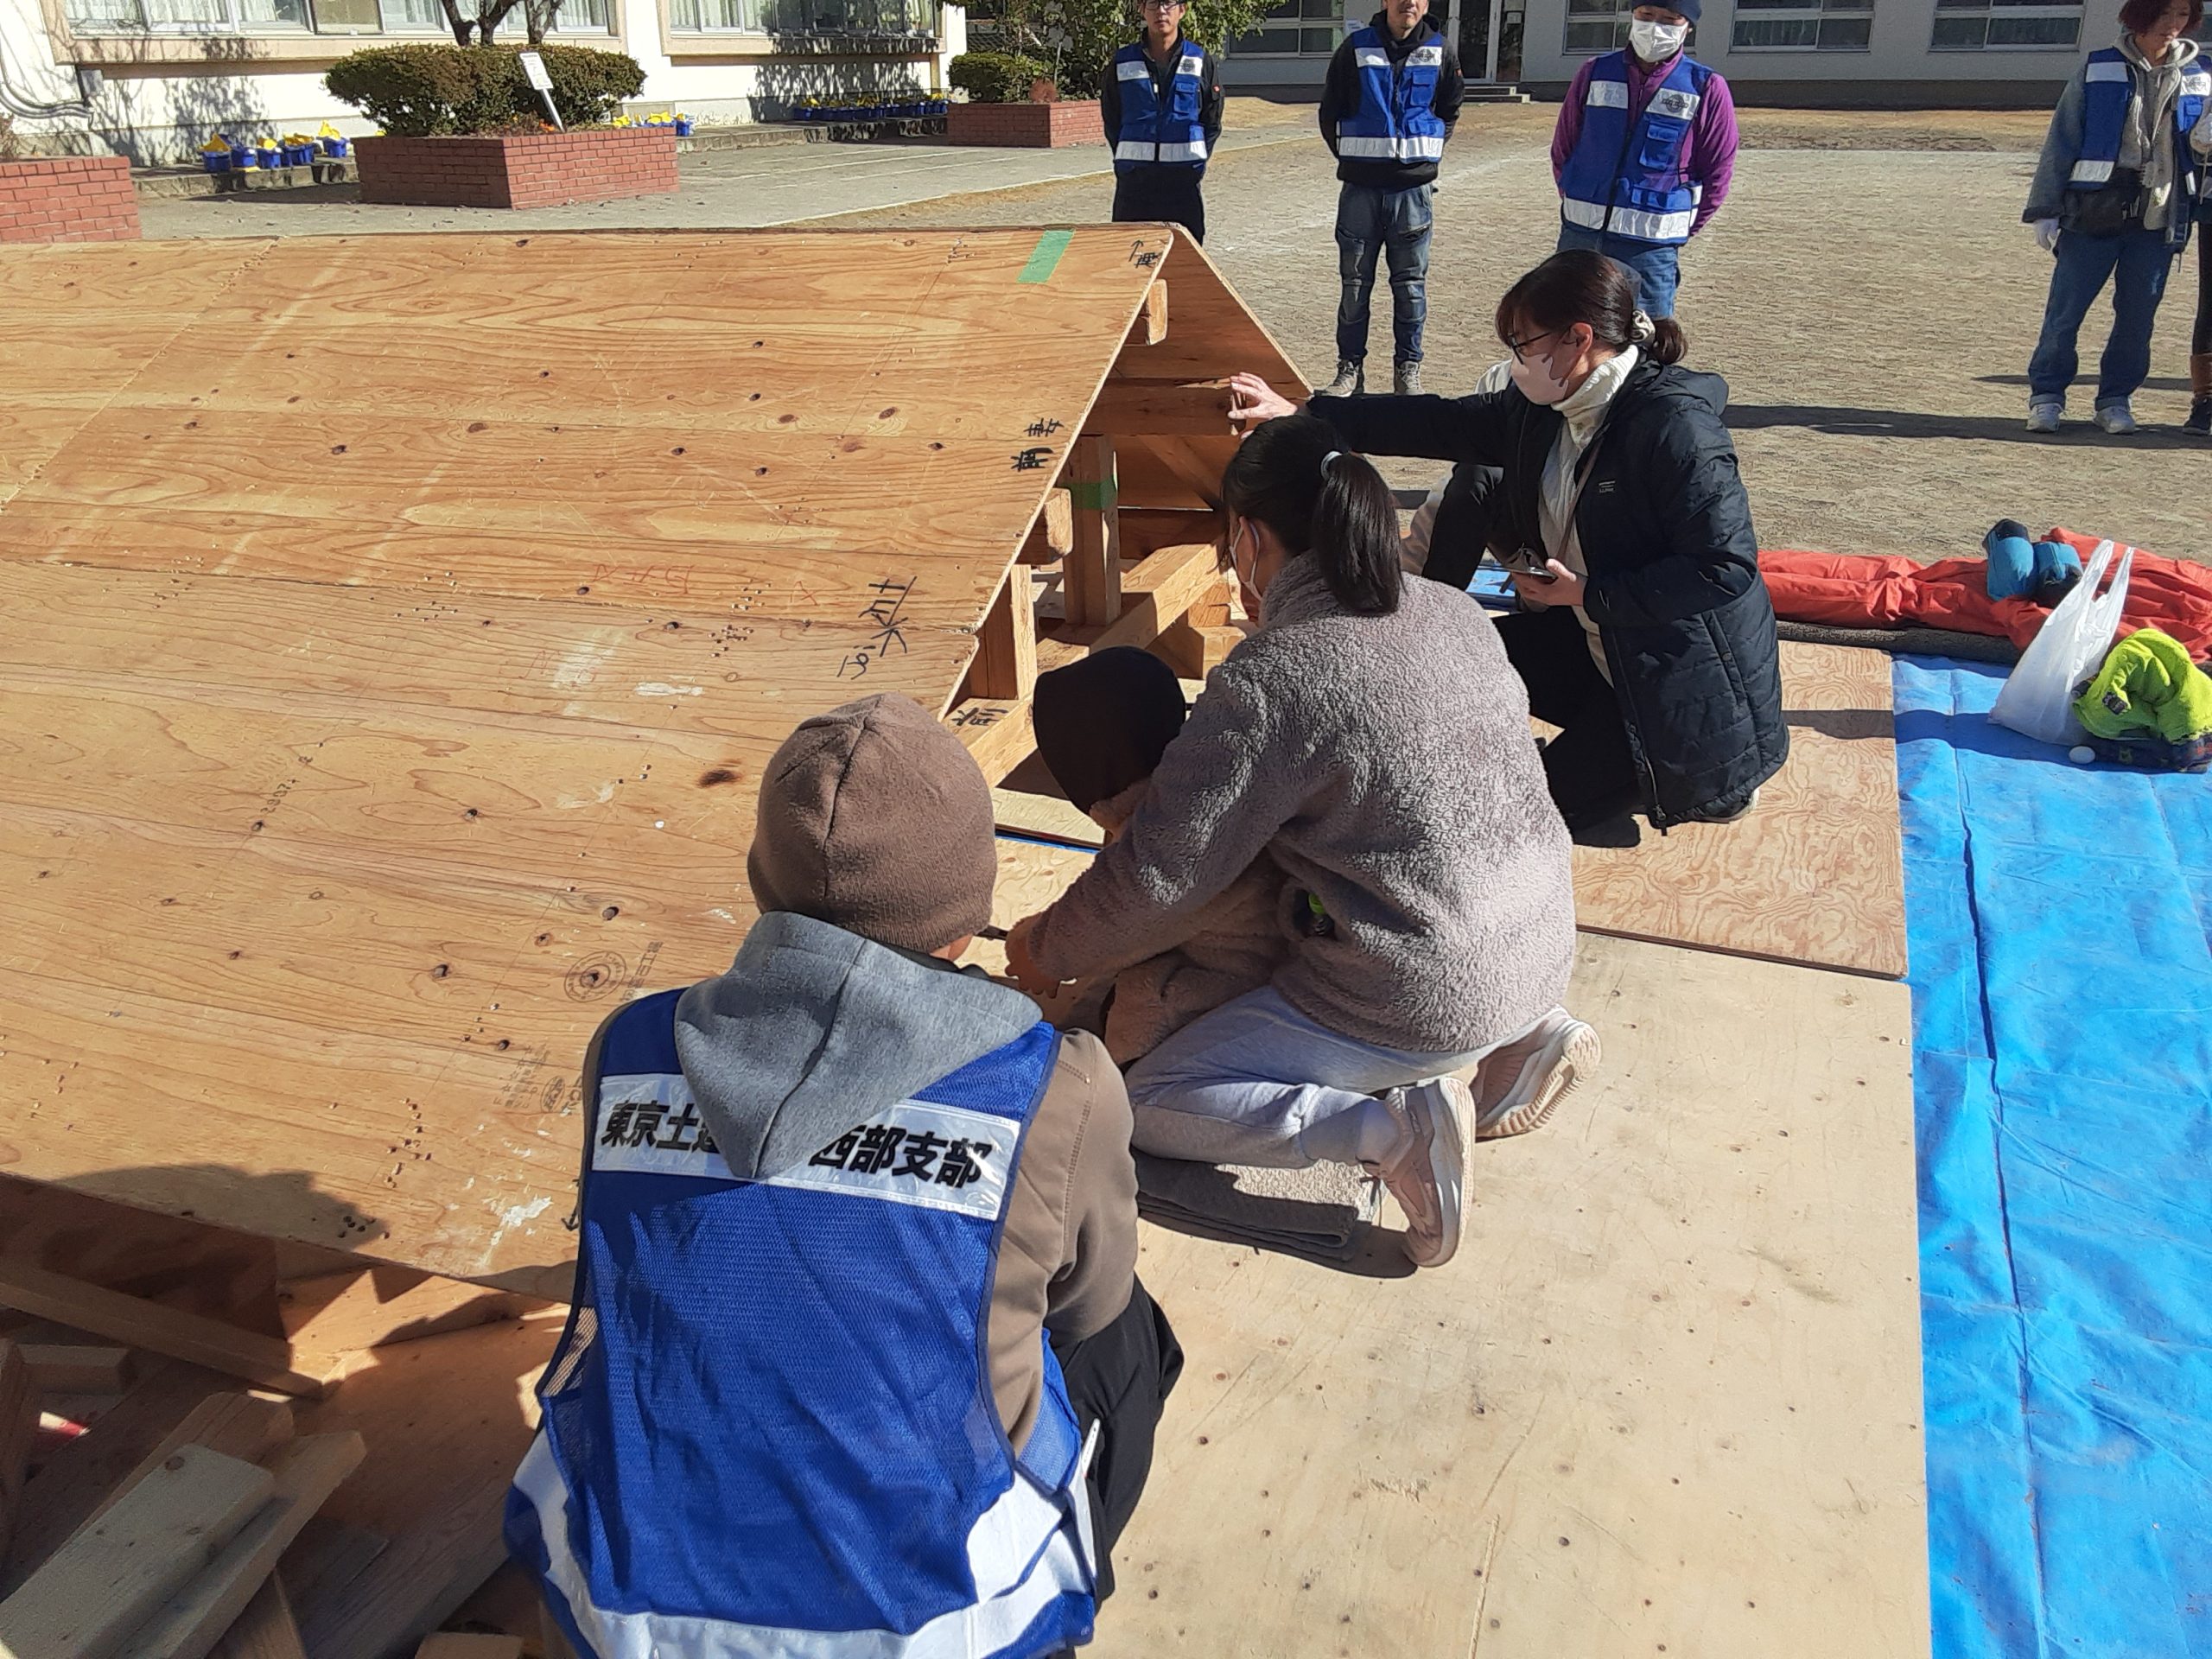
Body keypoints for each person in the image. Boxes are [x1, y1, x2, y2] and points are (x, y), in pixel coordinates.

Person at [506, 695, 1179, 1658]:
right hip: (931, 1627)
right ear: (970, 910)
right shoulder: (1055, 1089)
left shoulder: (629, 1048)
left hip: (629, 1612)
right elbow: (1087, 1310)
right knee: (1124, 1332)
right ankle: (1061, 1572)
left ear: (761, 883)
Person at [1006, 416, 1594, 1273]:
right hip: (1539, 946)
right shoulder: (1455, 612)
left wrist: (1047, 948)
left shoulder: (1277, 679)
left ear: (1247, 539)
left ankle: (1391, 1131)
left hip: (1421, 992)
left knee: (1150, 1100)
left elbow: (1162, 879)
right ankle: (1526, 1036)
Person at [1230, 248, 1787, 844]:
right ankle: (1577, 759)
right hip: (1600, 646)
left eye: (1523, 344)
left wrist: (1590, 593)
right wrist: (1308, 414)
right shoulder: (1547, 408)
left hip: (1675, 687)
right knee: (1451, 666)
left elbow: (1724, 568)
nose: (1516, 361)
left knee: (1506, 824)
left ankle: (1712, 780)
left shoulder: (1675, 429)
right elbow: (1439, 422)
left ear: (1579, 339)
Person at [1032, 645, 1288, 1068]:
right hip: (1253, 966)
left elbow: (1119, 921)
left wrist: (1040, 953)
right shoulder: (1188, 789)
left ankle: (1142, 1091)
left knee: (1138, 1022)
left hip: (1243, 997)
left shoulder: (1165, 833)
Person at [2024, 0, 2212, 435]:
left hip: (2158, 220)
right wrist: (2045, 210)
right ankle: (2046, 396)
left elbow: (2200, 151)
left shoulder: (2201, 74)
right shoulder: (2099, 67)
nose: (2172, 25)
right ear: (2138, 14)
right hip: (2091, 215)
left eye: (2182, 15)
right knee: (2064, 315)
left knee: (2137, 320)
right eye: (2163, 13)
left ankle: (2115, 400)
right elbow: (2062, 140)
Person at [1549, 0, 1738, 320]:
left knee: (1644, 337)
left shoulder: (1705, 87)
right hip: (1580, 237)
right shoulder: (1594, 72)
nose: (1655, 28)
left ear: (1688, 27)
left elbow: (1718, 172)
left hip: (1650, 249)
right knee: (1566, 327)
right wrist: (1578, 195)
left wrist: (1680, 225)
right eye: (1646, 15)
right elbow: (1563, 148)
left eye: (1669, 19)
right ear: (1633, 16)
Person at [1315, 0, 1465, 397]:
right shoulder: (1355, 48)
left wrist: (1424, 158)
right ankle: (1350, 370)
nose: (1408, 2)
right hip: (1360, 191)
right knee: (1353, 288)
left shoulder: (1441, 51)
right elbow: (1330, 112)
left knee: (1411, 288)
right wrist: (1355, 159)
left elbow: (1449, 109)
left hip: (1413, 194)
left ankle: (1407, 370)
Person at [1103, 0, 1224, 243]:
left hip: (1183, 190)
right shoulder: (1122, 62)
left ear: (1182, 9)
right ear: (1141, 9)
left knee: (1183, 262)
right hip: (1134, 190)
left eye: (1168, 3)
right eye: (1153, 4)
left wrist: (1195, 161)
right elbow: (1112, 119)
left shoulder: (1201, 61)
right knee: (1131, 261)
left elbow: (1212, 121)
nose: (1161, 11)